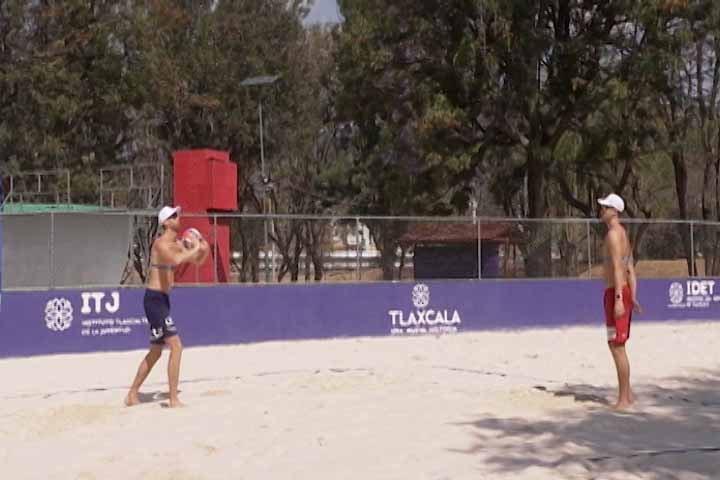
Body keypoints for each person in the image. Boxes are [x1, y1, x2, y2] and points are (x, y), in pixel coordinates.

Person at [125, 206, 209, 408]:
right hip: (153, 300)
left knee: (156, 351)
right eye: (173, 215)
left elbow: (198, 262)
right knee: (176, 347)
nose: (178, 217)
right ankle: (172, 399)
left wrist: (203, 250)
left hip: (162, 300)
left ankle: (132, 394)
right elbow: (176, 260)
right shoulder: (160, 245)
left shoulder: (177, 243)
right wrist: (195, 248)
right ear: (166, 223)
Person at [598, 193, 642, 410]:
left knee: (617, 346)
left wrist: (619, 299)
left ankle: (624, 399)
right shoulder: (622, 234)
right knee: (614, 344)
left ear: (614, 211)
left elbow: (618, 268)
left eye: (605, 207)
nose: (602, 210)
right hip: (620, 291)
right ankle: (628, 393)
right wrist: (632, 295)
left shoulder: (615, 235)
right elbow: (630, 267)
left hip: (616, 292)